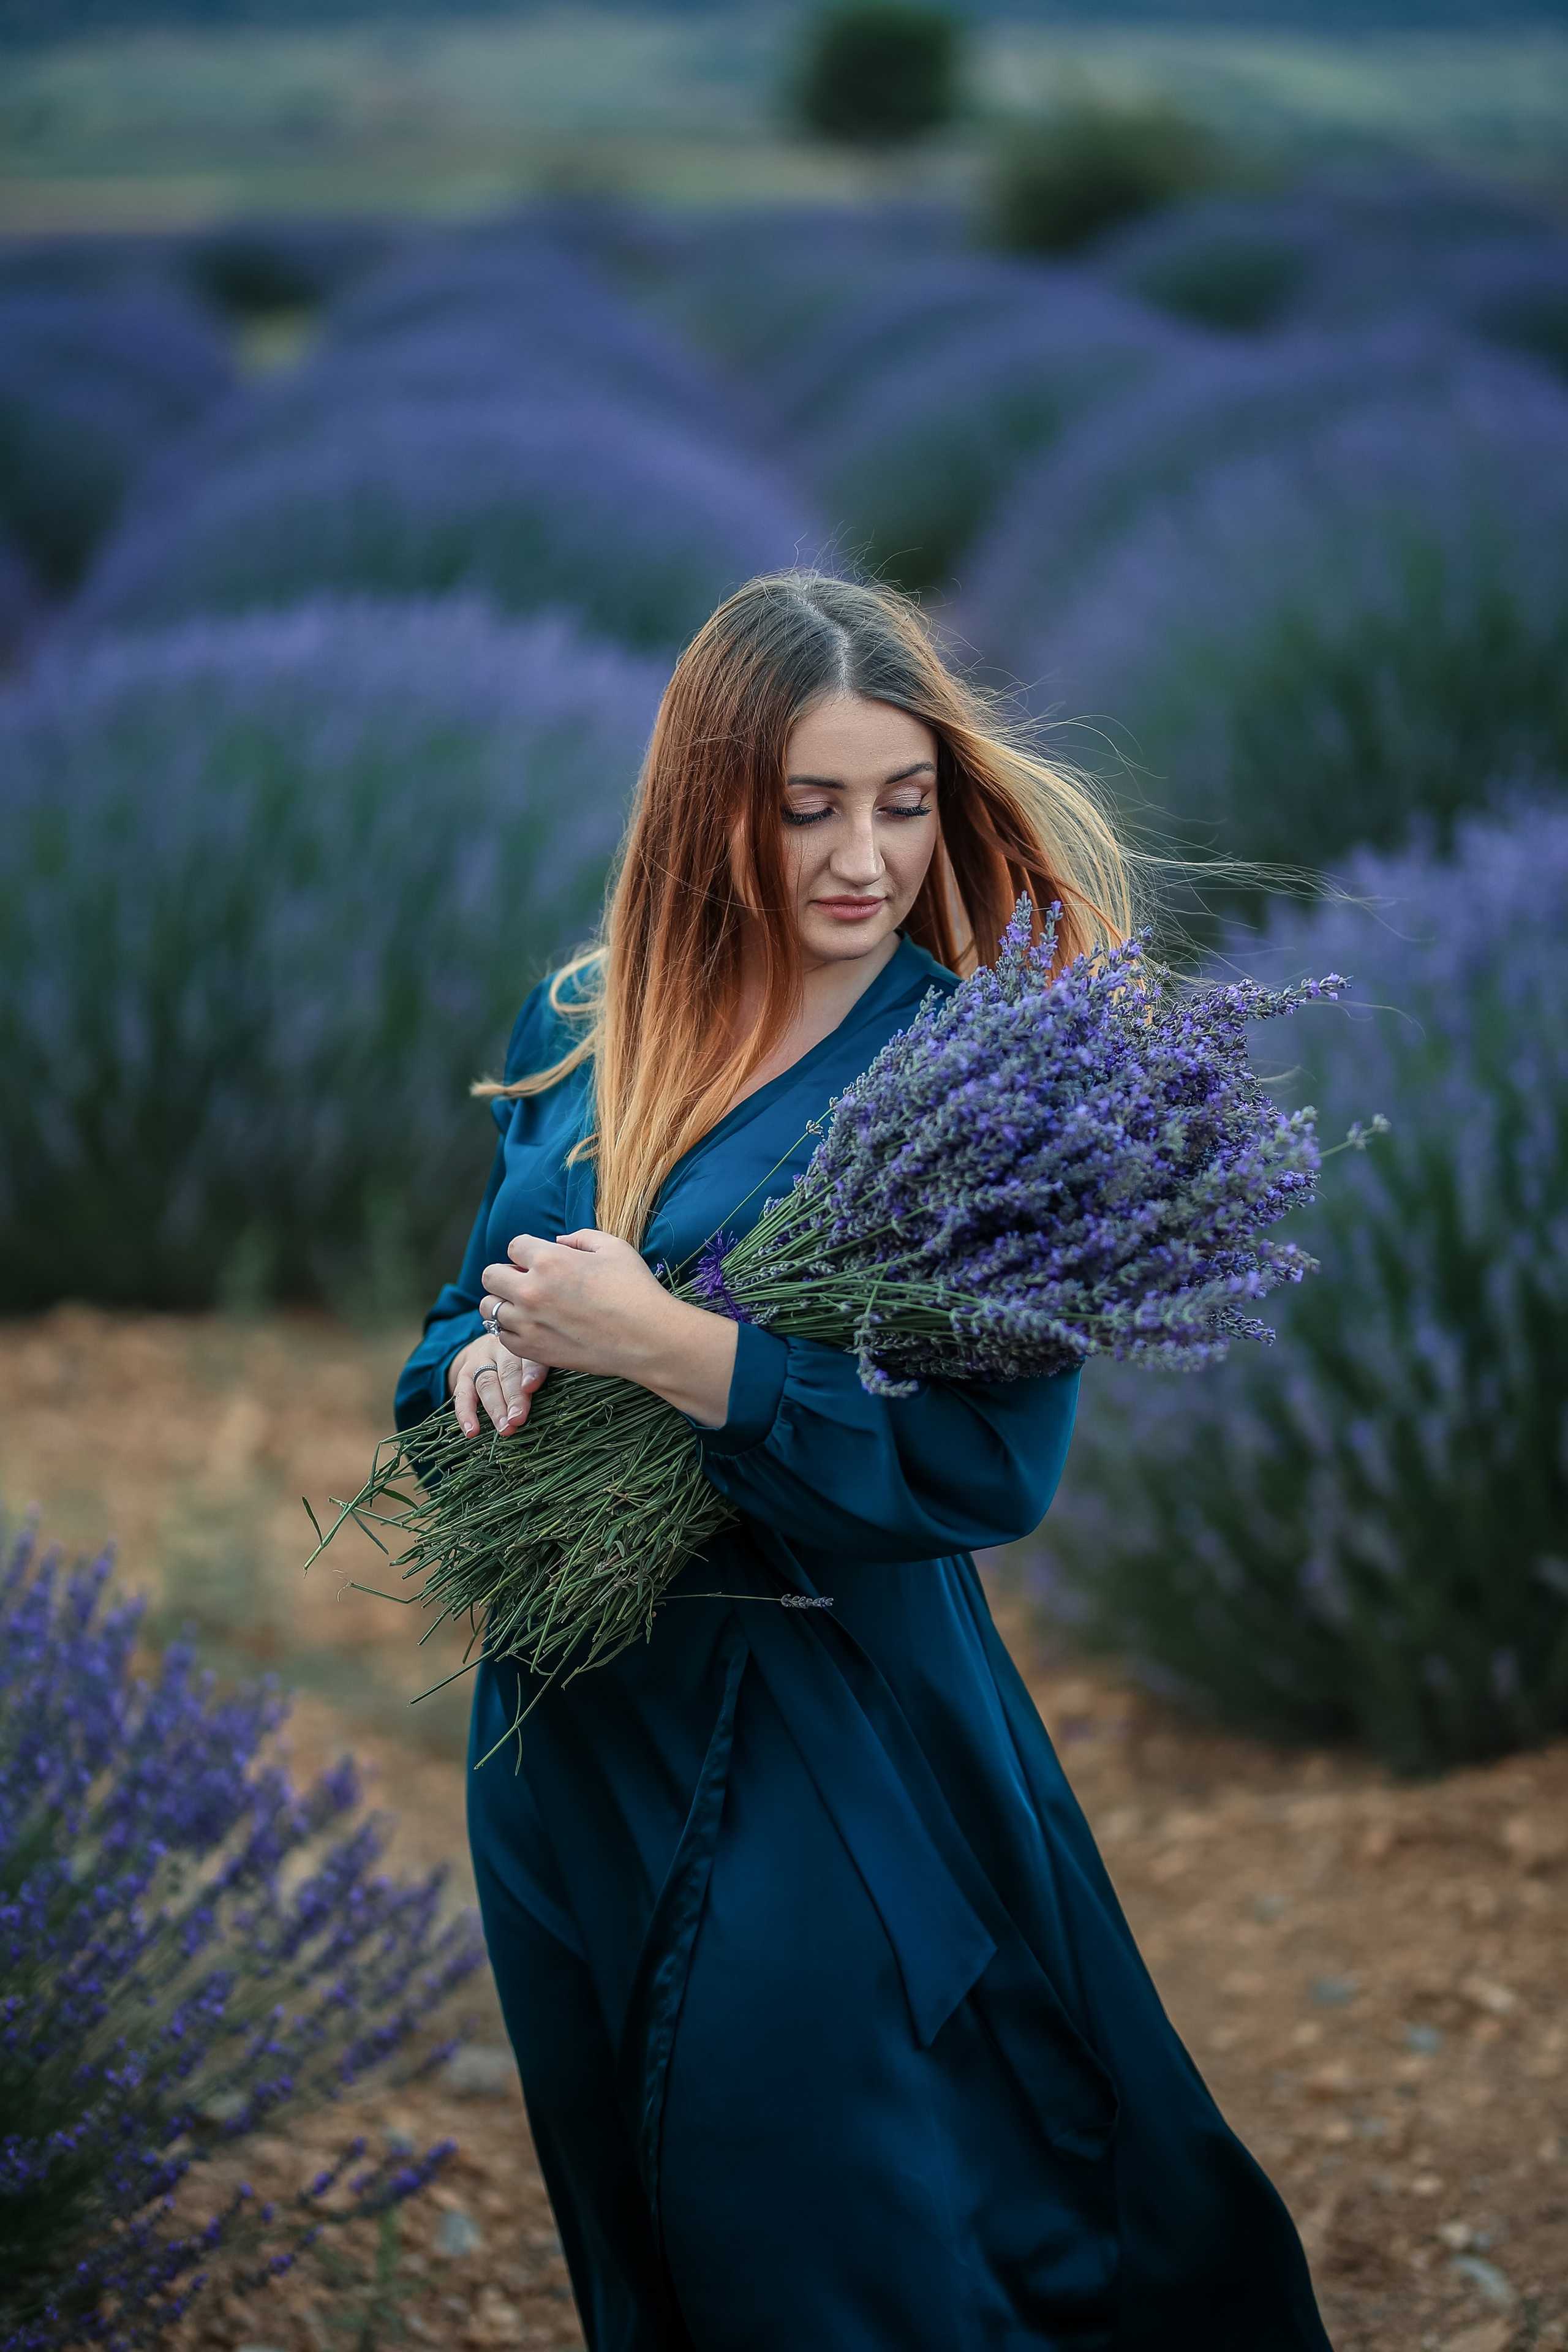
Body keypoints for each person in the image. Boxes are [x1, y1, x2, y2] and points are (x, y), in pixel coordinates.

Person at [396, 573, 1332, 2352]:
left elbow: (989, 1463)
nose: (863, 858)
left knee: (839, 2231)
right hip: (568, 1725)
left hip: (822, 1717)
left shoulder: (983, 1081)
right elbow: (453, 1323)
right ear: (706, 804)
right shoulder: (586, 1021)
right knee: (643, 2224)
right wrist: (483, 1377)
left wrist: (677, 1354)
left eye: (901, 802)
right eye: (808, 805)